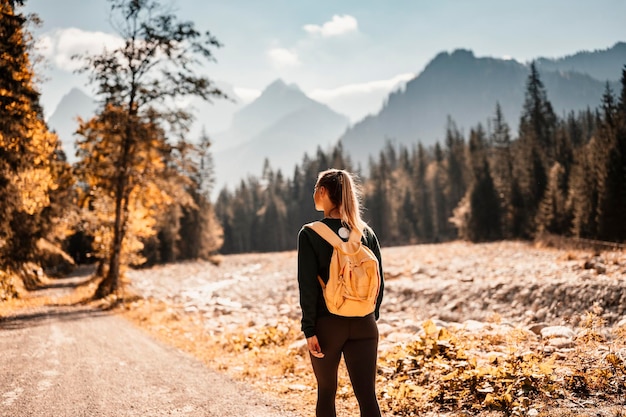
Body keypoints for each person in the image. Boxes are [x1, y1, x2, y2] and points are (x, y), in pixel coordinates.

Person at [297, 168, 384, 417]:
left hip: (328, 325)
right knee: (367, 396)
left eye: (316, 189)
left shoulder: (310, 234)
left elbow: (308, 286)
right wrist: (368, 316)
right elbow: (380, 283)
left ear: (323, 192)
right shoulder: (365, 232)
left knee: (326, 392)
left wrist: (309, 329)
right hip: (365, 324)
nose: (314, 193)